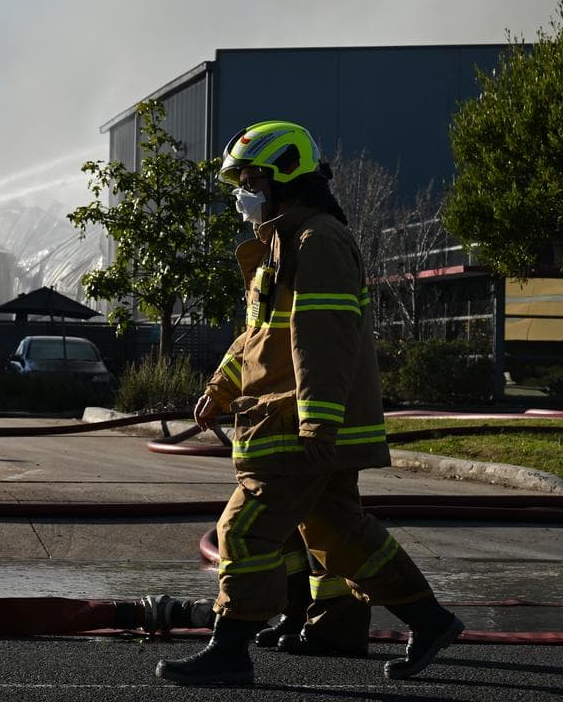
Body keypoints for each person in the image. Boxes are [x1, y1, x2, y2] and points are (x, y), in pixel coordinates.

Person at [155, 120, 463, 686]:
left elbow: (322, 338)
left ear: (287, 177)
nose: (243, 191)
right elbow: (257, 338)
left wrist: (317, 421)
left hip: (298, 423)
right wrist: (219, 389)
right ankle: (429, 618)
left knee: (244, 530)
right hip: (291, 418)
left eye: (252, 178)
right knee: (336, 532)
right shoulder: (282, 244)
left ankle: (229, 651)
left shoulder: (316, 241)